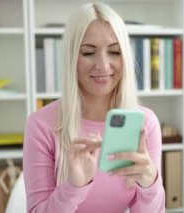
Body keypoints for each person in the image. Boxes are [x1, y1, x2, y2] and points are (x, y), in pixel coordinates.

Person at [23, 3, 165, 212]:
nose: (103, 65)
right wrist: (73, 187)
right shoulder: (41, 125)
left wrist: (150, 183)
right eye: (88, 53)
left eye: (114, 51)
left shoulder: (145, 123)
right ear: (72, 57)